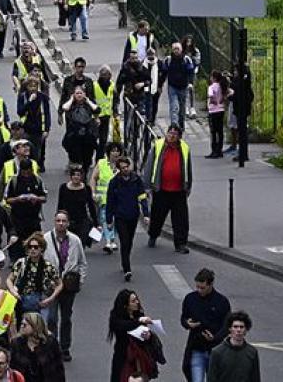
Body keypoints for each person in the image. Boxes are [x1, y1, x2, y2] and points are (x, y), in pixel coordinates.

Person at [41, 211, 85, 363]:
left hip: (68, 285)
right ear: (54, 222)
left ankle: (65, 348)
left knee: (66, 317)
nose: (61, 223)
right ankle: (53, 346)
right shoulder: (46, 239)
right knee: (52, 318)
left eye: (63, 221)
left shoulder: (75, 240)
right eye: (58, 220)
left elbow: (81, 263)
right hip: (51, 285)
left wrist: (80, 281)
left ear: (68, 223)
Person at [145, 124, 192, 254]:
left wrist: (188, 186)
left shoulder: (184, 148)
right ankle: (153, 235)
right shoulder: (158, 145)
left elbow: (188, 168)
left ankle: (180, 243)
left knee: (181, 219)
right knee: (157, 216)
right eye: (170, 133)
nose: (171, 136)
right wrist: (147, 186)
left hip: (178, 190)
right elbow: (149, 165)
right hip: (162, 189)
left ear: (179, 137)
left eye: (175, 134)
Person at [181, 268, 231, 382]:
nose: (199, 290)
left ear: (211, 284)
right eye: (197, 287)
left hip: (215, 350)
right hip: (196, 348)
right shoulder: (190, 299)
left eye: (202, 288)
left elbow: (227, 325)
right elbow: (184, 317)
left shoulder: (222, 302)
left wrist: (215, 337)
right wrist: (187, 323)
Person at [105, 157, 149, 281]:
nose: (126, 169)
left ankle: (125, 259)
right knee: (124, 241)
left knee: (129, 241)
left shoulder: (136, 180)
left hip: (133, 215)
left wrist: (146, 214)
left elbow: (142, 196)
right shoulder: (114, 182)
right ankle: (127, 268)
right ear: (119, 169)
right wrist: (109, 219)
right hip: (120, 216)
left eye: (127, 167)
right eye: (123, 168)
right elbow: (110, 201)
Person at [107, 290, 160, 382]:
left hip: (139, 358)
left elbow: (144, 334)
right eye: (133, 301)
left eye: (136, 299)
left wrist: (148, 336)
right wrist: (139, 321)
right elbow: (123, 326)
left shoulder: (138, 314)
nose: (137, 302)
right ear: (125, 305)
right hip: (124, 358)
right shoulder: (116, 318)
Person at [8, 312, 66, 382]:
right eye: (21, 324)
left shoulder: (50, 343)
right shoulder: (16, 343)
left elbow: (59, 368)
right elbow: (12, 368)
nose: (21, 326)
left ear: (35, 326)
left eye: (25, 325)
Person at [206, 311, 260, 382]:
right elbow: (211, 378)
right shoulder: (217, 352)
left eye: (241, 327)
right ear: (230, 329)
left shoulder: (252, 352)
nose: (238, 330)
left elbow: (255, 378)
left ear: (246, 330)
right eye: (235, 327)